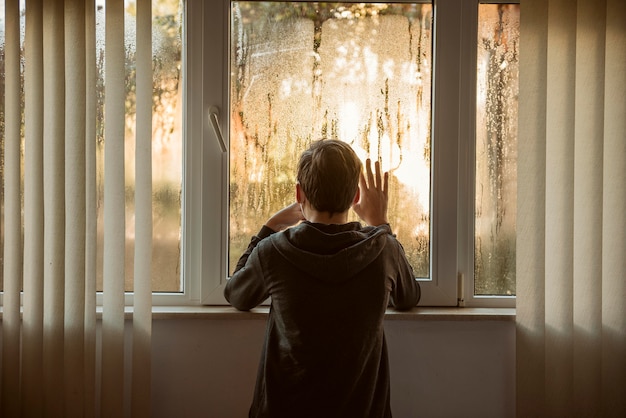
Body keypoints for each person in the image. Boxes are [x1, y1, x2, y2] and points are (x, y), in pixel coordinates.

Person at [225, 139, 421, 418]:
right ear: (355, 197)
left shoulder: (274, 251)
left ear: (298, 193)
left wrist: (269, 227)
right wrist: (381, 224)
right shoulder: (383, 249)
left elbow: (236, 294)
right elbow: (409, 296)